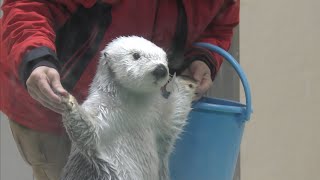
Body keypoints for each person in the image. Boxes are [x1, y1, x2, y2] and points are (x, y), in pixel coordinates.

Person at [0, 0, 239, 179]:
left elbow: (220, 22)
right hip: (53, 98)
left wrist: (203, 58)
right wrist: (37, 58)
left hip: (143, 112)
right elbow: (29, 6)